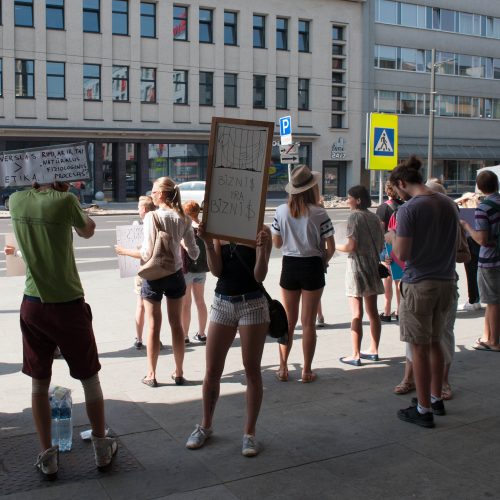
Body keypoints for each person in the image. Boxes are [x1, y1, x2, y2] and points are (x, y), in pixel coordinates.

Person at [8, 180, 117, 479]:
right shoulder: (65, 201)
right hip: (67, 302)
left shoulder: (15, 201)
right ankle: (101, 447)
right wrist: (67, 197)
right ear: (59, 178)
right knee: (89, 377)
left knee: (39, 382)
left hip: (32, 302)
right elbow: (88, 230)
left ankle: (48, 456)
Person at [185, 224, 272, 457]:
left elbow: (259, 275)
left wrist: (262, 250)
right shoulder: (219, 230)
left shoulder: (261, 231)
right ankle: (205, 425)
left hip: (252, 303)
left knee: (251, 368)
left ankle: (249, 434)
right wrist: (207, 241)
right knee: (212, 369)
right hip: (222, 302)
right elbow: (216, 271)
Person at [387, 156, 459, 428]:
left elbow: (402, 253)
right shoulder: (448, 203)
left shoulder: (409, 210)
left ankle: (423, 409)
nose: (398, 193)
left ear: (403, 183)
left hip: (419, 284)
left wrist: (392, 238)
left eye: (397, 188)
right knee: (436, 342)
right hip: (446, 281)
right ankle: (436, 397)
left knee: (418, 346)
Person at [116, 177, 199, 387]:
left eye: (153, 191)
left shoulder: (152, 217)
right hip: (176, 275)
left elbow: (146, 252)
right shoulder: (184, 218)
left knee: (153, 327)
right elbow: (194, 253)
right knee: (177, 325)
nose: (151, 195)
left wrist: (124, 251)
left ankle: (151, 375)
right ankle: (179, 372)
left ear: (161, 194)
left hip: (153, 276)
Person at [271, 165, 335, 382]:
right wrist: (323, 260)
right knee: (308, 323)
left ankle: (283, 367)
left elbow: (277, 244)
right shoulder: (319, 212)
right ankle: (307, 370)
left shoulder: (280, 211)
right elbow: (331, 248)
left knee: (288, 321)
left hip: (289, 265)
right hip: (312, 266)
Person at [336, 185, 384, 366]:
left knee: (356, 313)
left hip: (356, 267)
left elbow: (350, 247)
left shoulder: (354, 217)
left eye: (349, 198)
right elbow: (380, 246)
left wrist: (333, 246)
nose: (347, 201)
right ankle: (374, 349)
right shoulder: (375, 218)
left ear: (358, 200)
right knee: (373, 312)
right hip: (373, 266)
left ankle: (355, 354)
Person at [460, 170, 500, 351]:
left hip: (490, 260)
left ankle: (494, 341)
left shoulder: (483, 209)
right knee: (492, 301)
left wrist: (467, 226)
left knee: (492, 302)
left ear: (480, 188)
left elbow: (482, 239)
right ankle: (486, 336)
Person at [130, 196, 157, 349]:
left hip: (144, 269)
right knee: (155, 306)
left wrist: (124, 251)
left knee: (141, 305)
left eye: (139, 208)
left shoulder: (140, 225)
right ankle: (154, 336)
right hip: (160, 269)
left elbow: (142, 251)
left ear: (144, 209)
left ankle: (139, 339)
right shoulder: (160, 222)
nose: (137, 210)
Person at [181, 200, 209, 343]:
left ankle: (185, 336)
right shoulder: (204, 227)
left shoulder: (186, 228)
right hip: (201, 269)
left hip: (187, 269)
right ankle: (202, 333)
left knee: (186, 303)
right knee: (200, 301)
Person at [376, 181, 403, 322]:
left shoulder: (383, 208)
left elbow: (379, 231)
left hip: (387, 246)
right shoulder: (405, 206)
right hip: (401, 246)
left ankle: (386, 311)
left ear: (387, 191)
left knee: (387, 277)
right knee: (399, 279)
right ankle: (399, 310)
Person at [455, 192, 482, 311]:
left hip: (470, 241)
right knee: (478, 272)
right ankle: (476, 299)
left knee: (471, 272)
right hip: (479, 240)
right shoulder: (481, 209)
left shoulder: (466, 214)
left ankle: (473, 300)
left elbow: (450, 203)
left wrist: (462, 198)